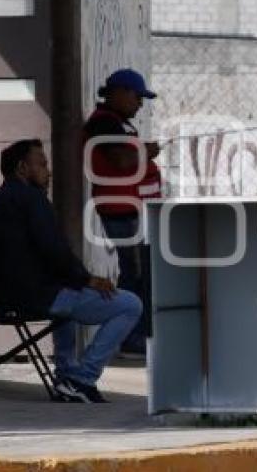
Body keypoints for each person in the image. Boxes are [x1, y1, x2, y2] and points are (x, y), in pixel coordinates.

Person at [0, 139, 142, 403]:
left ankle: (66, 374)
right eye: (41, 164)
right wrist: (88, 279)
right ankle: (81, 378)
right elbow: (55, 251)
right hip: (36, 295)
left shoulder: (0, 202)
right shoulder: (31, 199)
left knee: (71, 293)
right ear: (22, 168)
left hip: (9, 296)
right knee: (130, 304)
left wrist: (78, 280)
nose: (47, 171)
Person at [83, 68, 161, 357]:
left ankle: (132, 334)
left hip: (128, 208)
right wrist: (147, 153)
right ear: (121, 92)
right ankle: (131, 336)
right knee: (134, 273)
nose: (140, 104)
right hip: (118, 209)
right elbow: (120, 160)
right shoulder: (104, 123)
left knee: (136, 271)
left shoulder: (115, 123)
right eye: (138, 97)